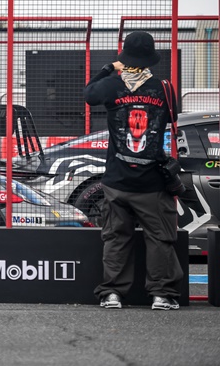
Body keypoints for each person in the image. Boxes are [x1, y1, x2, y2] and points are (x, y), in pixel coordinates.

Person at [84, 31, 183, 311]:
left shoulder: (111, 85)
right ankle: (161, 295)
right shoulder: (163, 88)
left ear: (124, 57)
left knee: (116, 238)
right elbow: (172, 117)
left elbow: (89, 94)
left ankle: (112, 294)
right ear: (150, 58)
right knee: (160, 238)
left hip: (117, 180)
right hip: (152, 181)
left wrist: (108, 68)